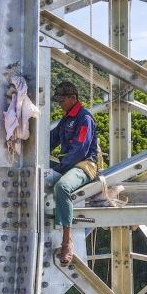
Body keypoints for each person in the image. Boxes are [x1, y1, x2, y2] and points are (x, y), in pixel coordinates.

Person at [47, 81, 99, 266]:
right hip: (69, 164)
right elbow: (49, 140)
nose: (59, 104)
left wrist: (59, 168)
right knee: (40, 180)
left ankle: (67, 241)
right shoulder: (66, 118)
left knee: (62, 186)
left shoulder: (84, 119)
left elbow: (80, 150)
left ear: (73, 98)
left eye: (62, 100)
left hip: (84, 165)